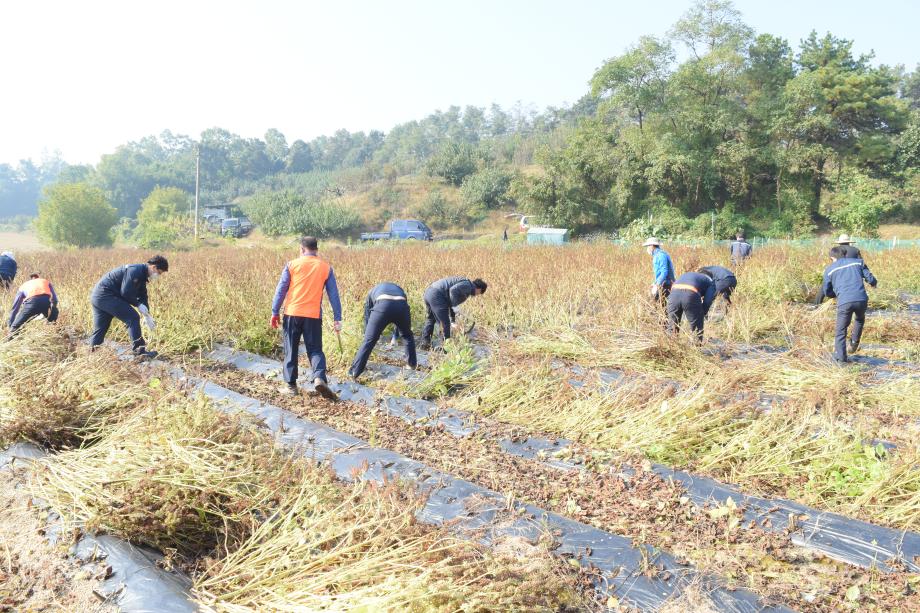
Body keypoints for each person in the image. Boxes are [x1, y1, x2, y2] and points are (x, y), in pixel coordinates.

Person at [271, 236, 342, 398]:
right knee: (315, 349)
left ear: (302, 249)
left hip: (292, 313)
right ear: (316, 249)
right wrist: (337, 317)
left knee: (291, 349)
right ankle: (319, 378)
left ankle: (291, 387)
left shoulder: (292, 265)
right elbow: (334, 295)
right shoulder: (326, 268)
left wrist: (274, 311)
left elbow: (281, 290)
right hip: (313, 316)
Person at [90, 256, 168, 357]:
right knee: (133, 318)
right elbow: (126, 292)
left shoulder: (141, 274)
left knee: (101, 328)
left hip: (98, 296)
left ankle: (93, 354)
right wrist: (138, 305)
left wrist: (147, 315)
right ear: (153, 267)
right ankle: (139, 352)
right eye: (159, 273)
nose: (158, 276)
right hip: (106, 296)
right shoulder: (135, 271)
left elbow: (143, 295)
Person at [816, 245, 877, 363]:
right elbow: (870, 278)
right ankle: (854, 343)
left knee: (840, 330)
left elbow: (826, 290)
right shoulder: (858, 262)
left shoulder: (830, 269)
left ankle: (842, 359)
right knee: (859, 319)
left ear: (832, 258)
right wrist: (873, 283)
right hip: (861, 299)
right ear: (845, 254)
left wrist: (834, 295)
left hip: (845, 301)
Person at [348, 282, 416, 380]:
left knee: (369, 340)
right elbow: (401, 312)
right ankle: (411, 365)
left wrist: (368, 334)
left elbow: (368, 315)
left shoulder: (371, 292)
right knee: (407, 336)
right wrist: (395, 337)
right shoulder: (399, 290)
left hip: (383, 306)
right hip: (401, 306)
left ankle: (355, 372)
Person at [420, 276, 487, 349]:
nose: (476, 295)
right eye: (479, 293)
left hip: (429, 292)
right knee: (445, 323)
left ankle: (425, 343)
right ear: (479, 289)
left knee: (431, 319)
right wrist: (455, 308)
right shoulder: (468, 286)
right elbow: (453, 290)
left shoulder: (466, 284)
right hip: (437, 295)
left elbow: (450, 303)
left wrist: (453, 321)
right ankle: (445, 347)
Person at [666, 270, 716, 343]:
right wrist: (702, 313)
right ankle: (696, 346)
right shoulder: (710, 282)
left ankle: (671, 345)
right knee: (697, 327)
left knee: (672, 325)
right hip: (690, 294)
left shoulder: (690, 275)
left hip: (673, 295)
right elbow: (708, 301)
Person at [643, 238, 674, 307]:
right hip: (662, 284)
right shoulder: (656, 255)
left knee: (658, 305)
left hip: (666, 285)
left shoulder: (661, 255)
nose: (647, 248)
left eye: (648, 246)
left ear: (652, 246)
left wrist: (657, 285)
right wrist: (655, 282)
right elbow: (659, 273)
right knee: (657, 304)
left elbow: (664, 272)